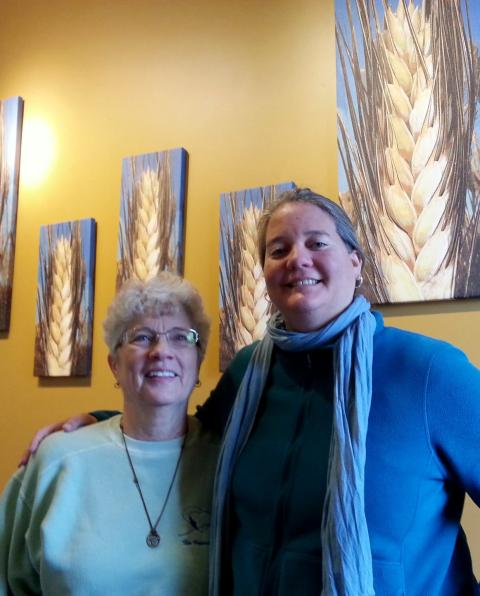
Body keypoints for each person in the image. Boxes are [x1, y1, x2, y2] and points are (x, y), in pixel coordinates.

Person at [17, 188, 480, 595]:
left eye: (317, 243)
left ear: (355, 263)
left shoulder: (428, 373)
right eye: (278, 249)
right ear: (266, 274)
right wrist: (102, 422)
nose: (297, 258)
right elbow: (188, 433)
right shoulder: (250, 374)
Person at [0, 272, 218, 595]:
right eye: (141, 337)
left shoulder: (228, 462)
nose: (161, 351)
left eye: (180, 337)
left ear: (197, 361)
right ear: (113, 364)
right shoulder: (56, 461)